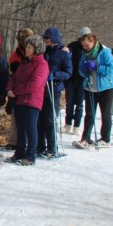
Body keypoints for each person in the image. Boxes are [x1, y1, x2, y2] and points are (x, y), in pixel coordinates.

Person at [5, 35, 49, 166]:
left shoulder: (42, 64)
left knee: (30, 128)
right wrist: (9, 88)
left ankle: (30, 155)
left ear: (36, 49)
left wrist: (16, 90)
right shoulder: (24, 63)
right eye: (27, 46)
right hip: (19, 100)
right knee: (21, 128)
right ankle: (19, 152)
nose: (26, 49)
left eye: (29, 47)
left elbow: (34, 84)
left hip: (32, 101)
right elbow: (14, 77)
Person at [73, 31, 113, 149]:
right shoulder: (84, 54)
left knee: (106, 113)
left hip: (106, 87)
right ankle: (86, 138)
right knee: (89, 114)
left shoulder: (105, 52)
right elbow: (80, 70)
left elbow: (111, 69)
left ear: (93, 42)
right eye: (83, 45)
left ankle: (105, 138)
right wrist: (84, 69)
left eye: (87, 45)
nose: (85, 47)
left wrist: (97, 67)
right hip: (90, 86)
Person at [37, 27, 72, 158]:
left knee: (50, 118)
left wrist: (55, 75)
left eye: (47, 38)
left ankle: (52, 147)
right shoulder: (43, 51)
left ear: (53, 39)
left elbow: (68, 73)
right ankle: (40, 147)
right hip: (42, 88)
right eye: (44, 38)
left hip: (54, 88)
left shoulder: (64, 53)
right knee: (39, 118)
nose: (45, 40)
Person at [5, 27, 35, 150]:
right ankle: (14, 141)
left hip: (30, 88)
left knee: (29, 117)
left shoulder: (35, 51)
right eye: (23, 39)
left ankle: (30, 142)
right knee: (15, 114)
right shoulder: (16, 53)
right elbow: (11, 70)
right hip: (17, 85)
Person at [63, 27, 89, 136]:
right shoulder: (73, 45)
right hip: (71, 79)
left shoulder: (89, 48)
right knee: (69, 103)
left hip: (82, 80)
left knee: (79, 104)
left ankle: (77, 126)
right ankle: (67, 124)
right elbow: (65, 56)